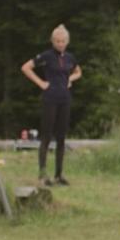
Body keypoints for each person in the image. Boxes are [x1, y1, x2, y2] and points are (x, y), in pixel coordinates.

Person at [21, 23, 82, 186]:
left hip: (65, 99)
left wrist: (70, 79)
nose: (60, 44)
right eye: (57, 41)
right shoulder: (47, 56)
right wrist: (41, 83)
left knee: (61, 137)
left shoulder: (70, 57)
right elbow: (26, 67)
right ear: (52, 41)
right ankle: (42, 174)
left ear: (67, 41)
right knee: (46, 137)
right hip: (50, 99)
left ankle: (58, 174)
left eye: (62, 41)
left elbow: (78, 72)